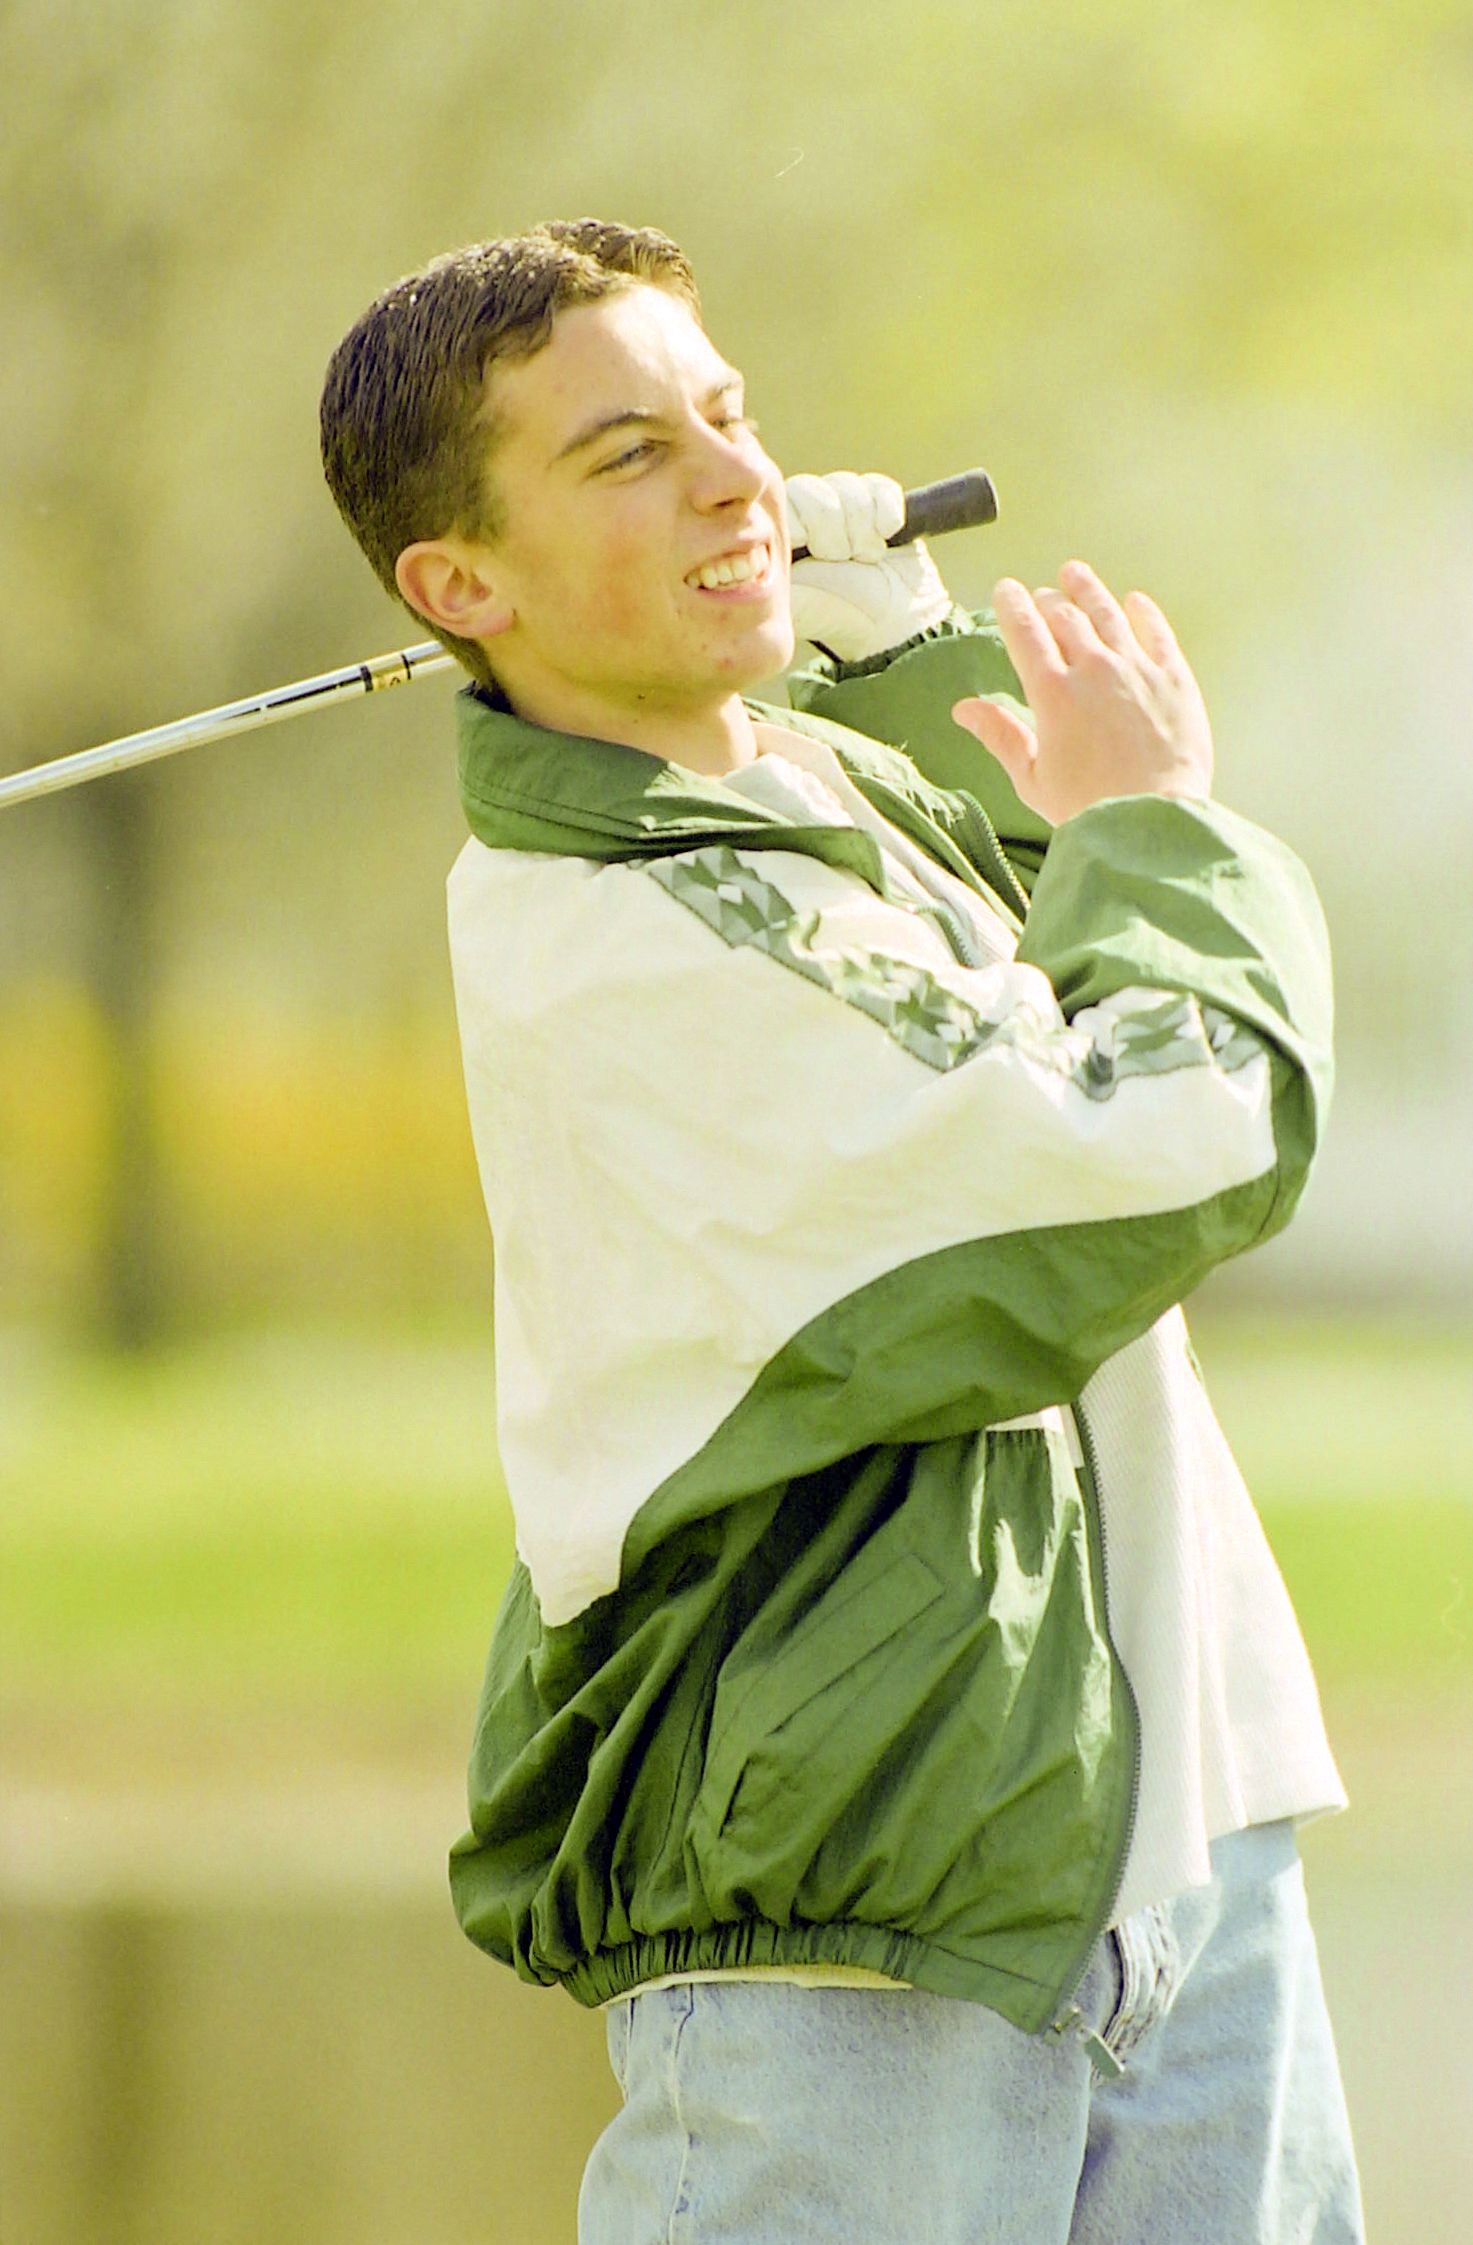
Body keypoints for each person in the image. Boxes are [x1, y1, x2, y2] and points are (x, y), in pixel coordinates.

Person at [320, 218, 1365, 2243]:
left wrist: (894, 658)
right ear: (458, 586)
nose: (735, 478)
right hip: (874, 1904)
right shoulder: (631, 932)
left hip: (1181, 1824)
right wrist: (1155, 818)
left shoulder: (795, 789)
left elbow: (1038, 954)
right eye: (628, 455)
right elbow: (1160, 1129)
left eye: (728, 417)